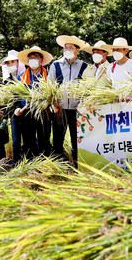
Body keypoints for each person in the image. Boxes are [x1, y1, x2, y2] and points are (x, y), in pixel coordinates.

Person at [48, 35, 89, 166]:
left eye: (71, 47)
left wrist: (82, 105)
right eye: (66, 48)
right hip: (60, 108)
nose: (68, 50)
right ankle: (59, 165)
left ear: (77, 50)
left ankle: (77, 165)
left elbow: (87, 88)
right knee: (58, 138)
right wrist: (53, 103)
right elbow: (50, 86)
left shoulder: (84, 66)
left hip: (77, 109)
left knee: (76, 139)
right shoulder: (56, 65)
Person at [15, 46, 53, 159]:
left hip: (43, 112)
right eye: (30, 57)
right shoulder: (21, 77)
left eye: (35, 57)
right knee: (28, 139)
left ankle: (45, 162)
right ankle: (30, 164)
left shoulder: (49, 76)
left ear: (41, 60)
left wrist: (48, 103)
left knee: (44, 138)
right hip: (26, 112)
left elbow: (53, 94)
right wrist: (17, 107)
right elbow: (16, 96)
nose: (33, 59)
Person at [1, 50, 24, 163]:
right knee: (16, 141)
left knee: (29, 140)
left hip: (26, 112)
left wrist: (20, 107)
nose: (11, 65)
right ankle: (16, 163)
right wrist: (5, 118)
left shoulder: (24, 78)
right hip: (14, 116)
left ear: (18, 63)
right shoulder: (7, 82)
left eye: (13, 62)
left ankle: (29, 162)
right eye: (8, 63)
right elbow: (7, 101)